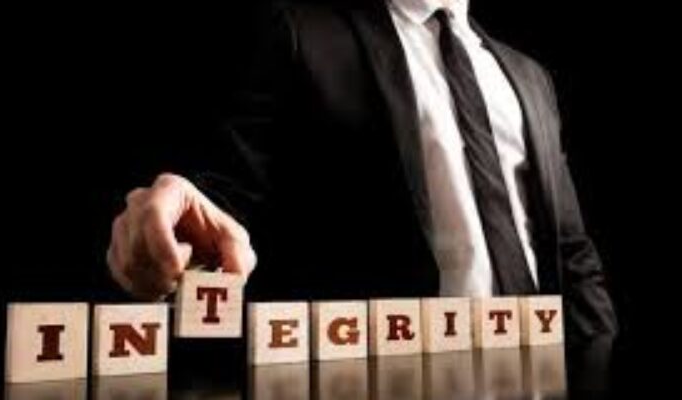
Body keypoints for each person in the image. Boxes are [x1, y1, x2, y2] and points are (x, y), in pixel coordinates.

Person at [106, 0, 617, 341]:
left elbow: (571, 252)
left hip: (539, 371)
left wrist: (596, 360)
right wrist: (166, 234)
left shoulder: (529, 76)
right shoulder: (301, 35)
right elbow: (222, 203)